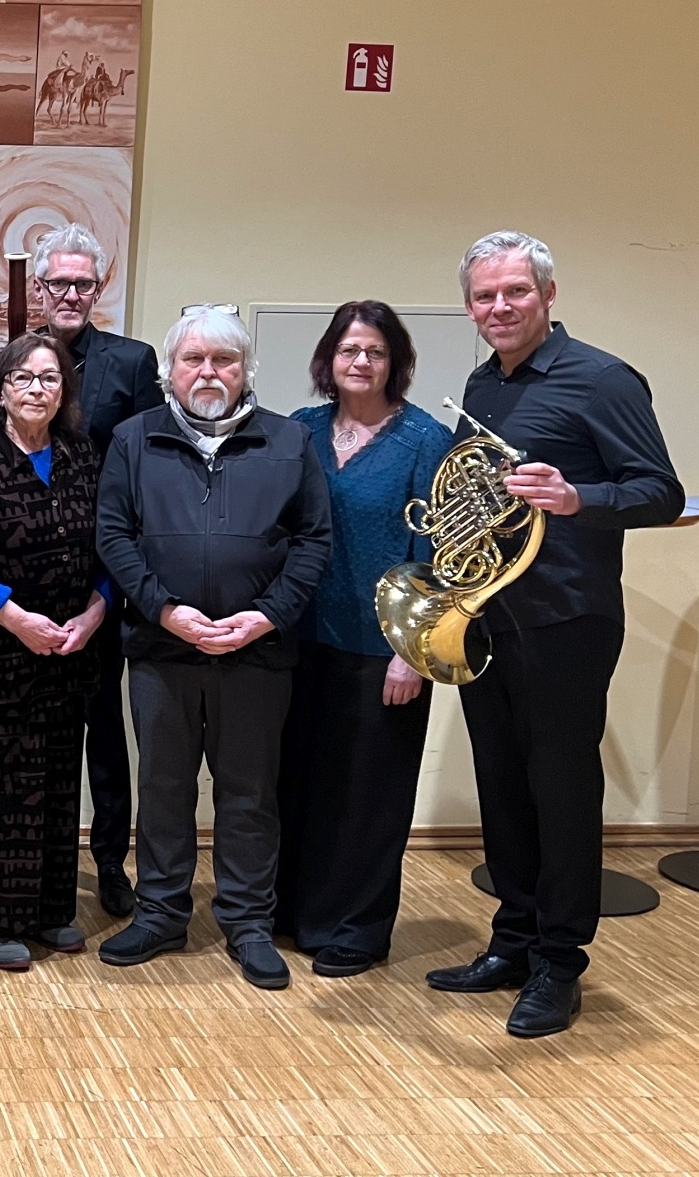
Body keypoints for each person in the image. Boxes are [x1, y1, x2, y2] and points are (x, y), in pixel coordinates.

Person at [426, 232, 682, 1037]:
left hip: (567, 618)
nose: (497, 308)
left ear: (548, 294)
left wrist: (581, 498)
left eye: (514, 293)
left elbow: (661, 492)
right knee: (502, 786)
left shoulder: (601, 378)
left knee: (560, 791)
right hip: (490, 612)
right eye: (483, 296)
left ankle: (559, 965)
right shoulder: (482, 382)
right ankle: (511, 940)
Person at [95, 304, 331, 991]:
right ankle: (162, 912)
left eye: (223, 360)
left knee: (249, 794)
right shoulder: (135, 440)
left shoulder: (288, 442)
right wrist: (165, 611)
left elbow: (315, 541)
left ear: (245, 370)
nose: (208, 372)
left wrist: (266, 616)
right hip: (162, 650)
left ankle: (248, 921)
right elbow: (113, 535)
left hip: (256, 652)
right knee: (163, 788)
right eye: (193, 359)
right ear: (170, 370)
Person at [276, 302, 451, 978]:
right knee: (300, 780)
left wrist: (415, 652)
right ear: (328, 358)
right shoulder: (302, 429)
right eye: (349, 349)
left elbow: (443, 554)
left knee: (369, 793)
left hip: (384, 650)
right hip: (300, 638)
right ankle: (294, 908)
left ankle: (357, 928)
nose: (360, 362)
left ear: (394, 362)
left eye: (374, 351)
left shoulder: (424, 440)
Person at [0, 333, 108, 970]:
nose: (38, 388)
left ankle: (51, 910)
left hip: (70, 651)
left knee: (61, 787)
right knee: (0, 793)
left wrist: (95, 611)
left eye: (50, 378)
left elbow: (110, 543)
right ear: (1, 391)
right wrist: (15, 617)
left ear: (65, 392)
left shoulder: (82, 455)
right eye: (24, 378)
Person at [29, 222, 163, 919]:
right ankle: (43, 858)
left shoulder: (133, 362)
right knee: (40, 732)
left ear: (99, 287)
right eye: (59, 282)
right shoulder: (18, 359)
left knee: (104, 731)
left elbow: (148, 473)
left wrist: (110, 592)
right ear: (39, 288)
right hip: (30, 580)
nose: (71, 293)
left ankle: (110, 861)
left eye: (83, 282)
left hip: (106, 577)